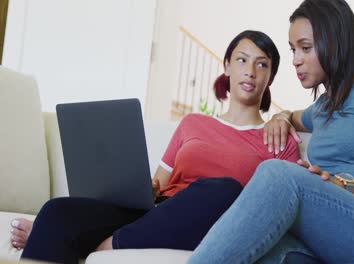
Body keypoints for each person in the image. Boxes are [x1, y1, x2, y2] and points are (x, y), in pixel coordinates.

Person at [12, 30, 300, 264]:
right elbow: (158, 186)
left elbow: (279, 209)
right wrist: (144, 188)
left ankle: (105, 245)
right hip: (158, 214)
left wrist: (285, 115)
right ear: (226, 65)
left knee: (222, 189)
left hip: (213, 222)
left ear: (270, 76)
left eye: (261, 64)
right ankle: (73, 236)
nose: (250, 71)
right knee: (56, 212)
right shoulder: (192, 123)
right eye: (241, 60)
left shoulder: (278, 137)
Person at [187, 0, 354, 263]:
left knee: (278, 173)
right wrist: (280, 116)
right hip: (334, 233)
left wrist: (342, 184)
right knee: (258, 247)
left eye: (305, 48)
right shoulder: (323, 106)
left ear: (334, 41)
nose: (295, 60)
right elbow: (293, 115)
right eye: (292, 50)